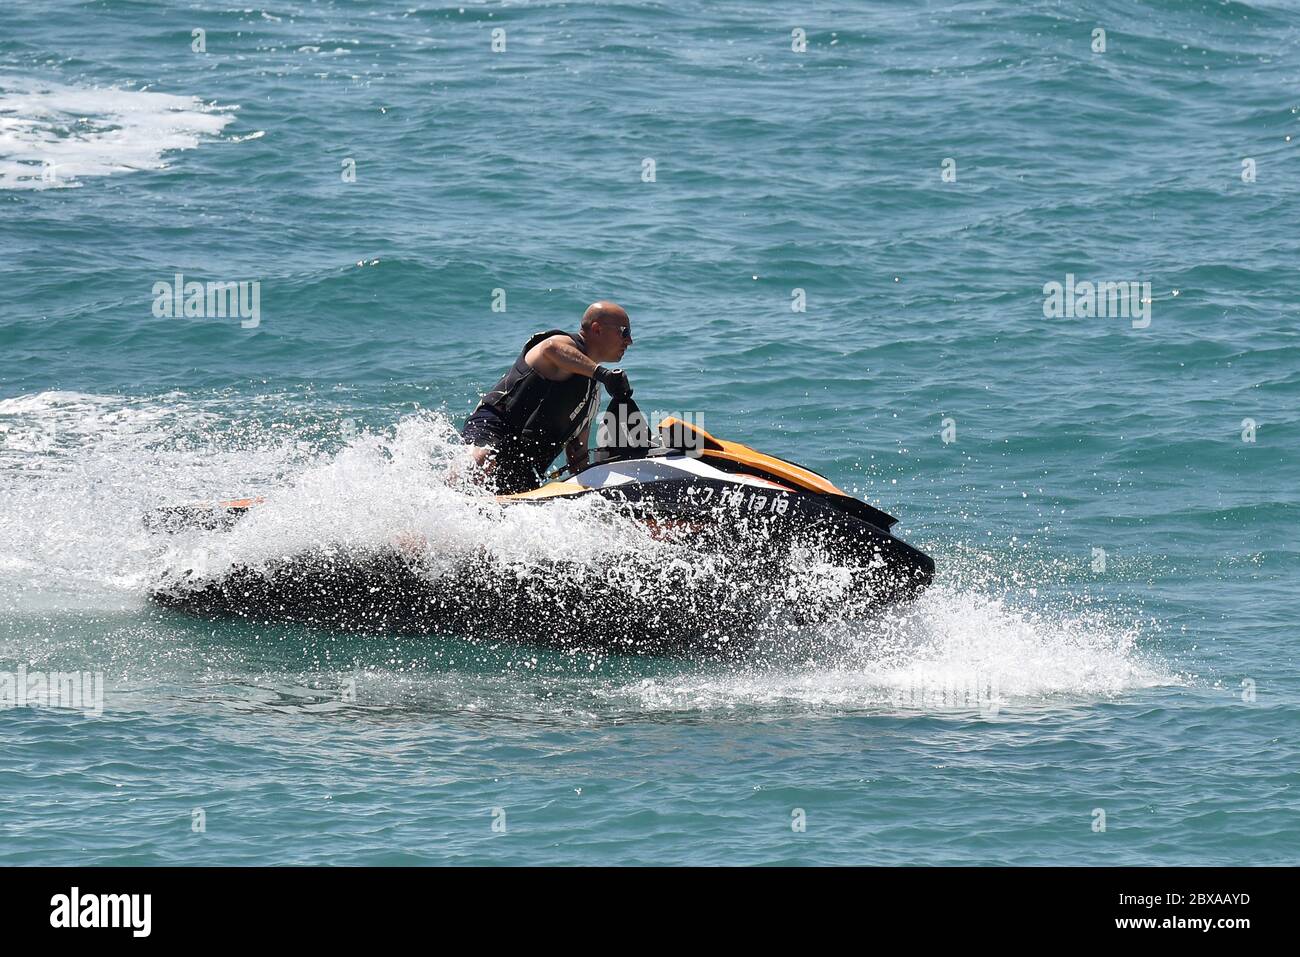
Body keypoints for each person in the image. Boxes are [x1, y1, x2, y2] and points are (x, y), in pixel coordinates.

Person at [461, 301, 634, 493]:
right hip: (495, 427)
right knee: (481, 460)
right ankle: (440, 500)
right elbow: (551, 349)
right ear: (597, 328)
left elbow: (578, 452)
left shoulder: (592, 392)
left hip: (522, 464)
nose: (629, 341)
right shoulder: (566, 344)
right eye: (624, 332)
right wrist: (603, 374)